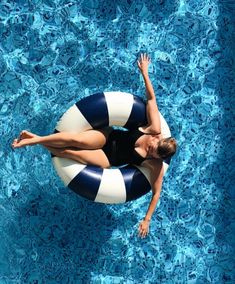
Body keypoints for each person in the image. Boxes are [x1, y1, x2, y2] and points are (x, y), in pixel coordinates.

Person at [12, 54, 177, 238]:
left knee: (70, 153)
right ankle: (34, 140)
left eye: (153, 155)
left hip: (108, 159)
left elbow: (156, 194)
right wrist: (145, 72)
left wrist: (147, 220)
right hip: (106, 137)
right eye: (153, 148)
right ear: (157, 139)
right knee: (77, 141)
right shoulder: (153, 129)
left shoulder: (155, 165)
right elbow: (152, 100)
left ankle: (33, 139)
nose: (150, 151)